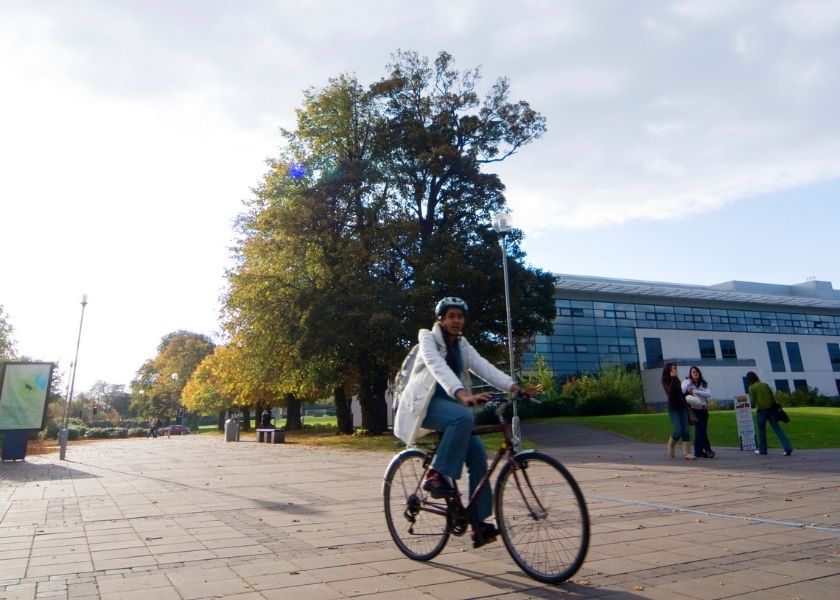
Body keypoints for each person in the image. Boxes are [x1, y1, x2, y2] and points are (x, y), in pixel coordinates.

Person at [393, 297, 540, 548]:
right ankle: (434, 474)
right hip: (425, 406)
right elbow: (437, 367)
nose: (456, 321)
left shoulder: (462, 344)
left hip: (452, 405)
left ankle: (478, 524)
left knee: (478, 458)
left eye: (460, 316)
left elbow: (484, 367)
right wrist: (463, 394)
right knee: (463, 416)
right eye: (451, 316)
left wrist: (515, 387)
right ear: (441, 319)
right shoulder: (428, 339)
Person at [746, 371, 792, 456]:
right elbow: (772, 396)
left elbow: (753, 400)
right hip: (771, 410)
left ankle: (762, 450)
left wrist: (749, 406)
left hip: (761, 411)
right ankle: (788, 448)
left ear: (749, 379)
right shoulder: (765, 385)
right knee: (778, 429)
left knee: (762, 431)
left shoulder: (752, 387)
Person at [661, 362, 695, 460]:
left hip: (682, 407)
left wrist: (687, 394)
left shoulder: (677, 379)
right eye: (672, 368)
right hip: (673, 408)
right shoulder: (665, 380)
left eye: (675, 368)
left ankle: (687, 453)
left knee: (686, 430)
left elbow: (679, 393)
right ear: (668, 370)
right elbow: (670, 393)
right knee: (678, 430)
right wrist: (673, 378)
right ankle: (671, 445)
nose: (674, 370)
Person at [682, 366, 714, 458]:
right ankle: (708, 450)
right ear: (690, 373)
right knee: (701, 430)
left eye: (696, 372)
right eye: (693, 372)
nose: (695, 373)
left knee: (699, 431)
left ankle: (698, 452)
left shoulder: (703, 383)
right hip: (694, 410)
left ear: (699, 373)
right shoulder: (687, 382)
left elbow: (708, 394)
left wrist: (697, 391)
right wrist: (688, 382)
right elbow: (682, 390)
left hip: (704, 410)